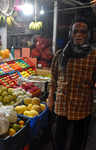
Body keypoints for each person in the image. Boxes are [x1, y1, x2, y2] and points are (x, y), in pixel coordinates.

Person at [47, 16, 96, 150]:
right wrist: (50, 97)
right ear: (70, 34)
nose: (78, 34)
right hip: (62, 103)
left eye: (83, 32)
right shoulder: (60, 54)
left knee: (79, 139)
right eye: (75, 31)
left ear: (88, 35)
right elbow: (53, 78)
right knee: (57, 136)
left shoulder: (94, 55)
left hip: (82, 105)